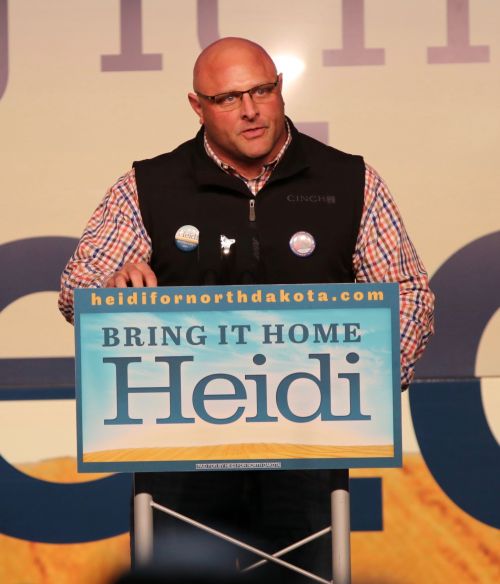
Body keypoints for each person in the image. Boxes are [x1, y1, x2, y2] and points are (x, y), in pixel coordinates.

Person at [59, 37, 434, 582]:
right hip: (177, 448)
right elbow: (77, 289)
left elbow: (410, 294)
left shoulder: (350, 181)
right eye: (229, 98)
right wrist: (110, 287)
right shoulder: (147, 186)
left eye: (262, 90)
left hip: (310, 442)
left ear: (280, 88)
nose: (251, 110)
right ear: (197, 106)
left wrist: (365, 381)